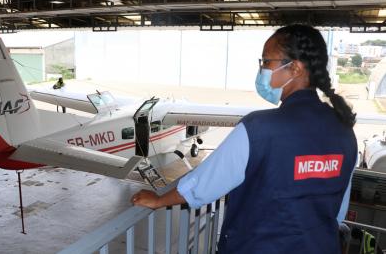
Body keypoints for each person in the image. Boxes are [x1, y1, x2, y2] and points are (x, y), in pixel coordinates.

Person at [131, 24, 358, 254]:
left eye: (266, 62)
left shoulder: (259, 128)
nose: (262, 70)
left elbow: (207, 182)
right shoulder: (345, 131)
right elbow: (338, 212)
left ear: (296, 69)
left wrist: (159, 200)